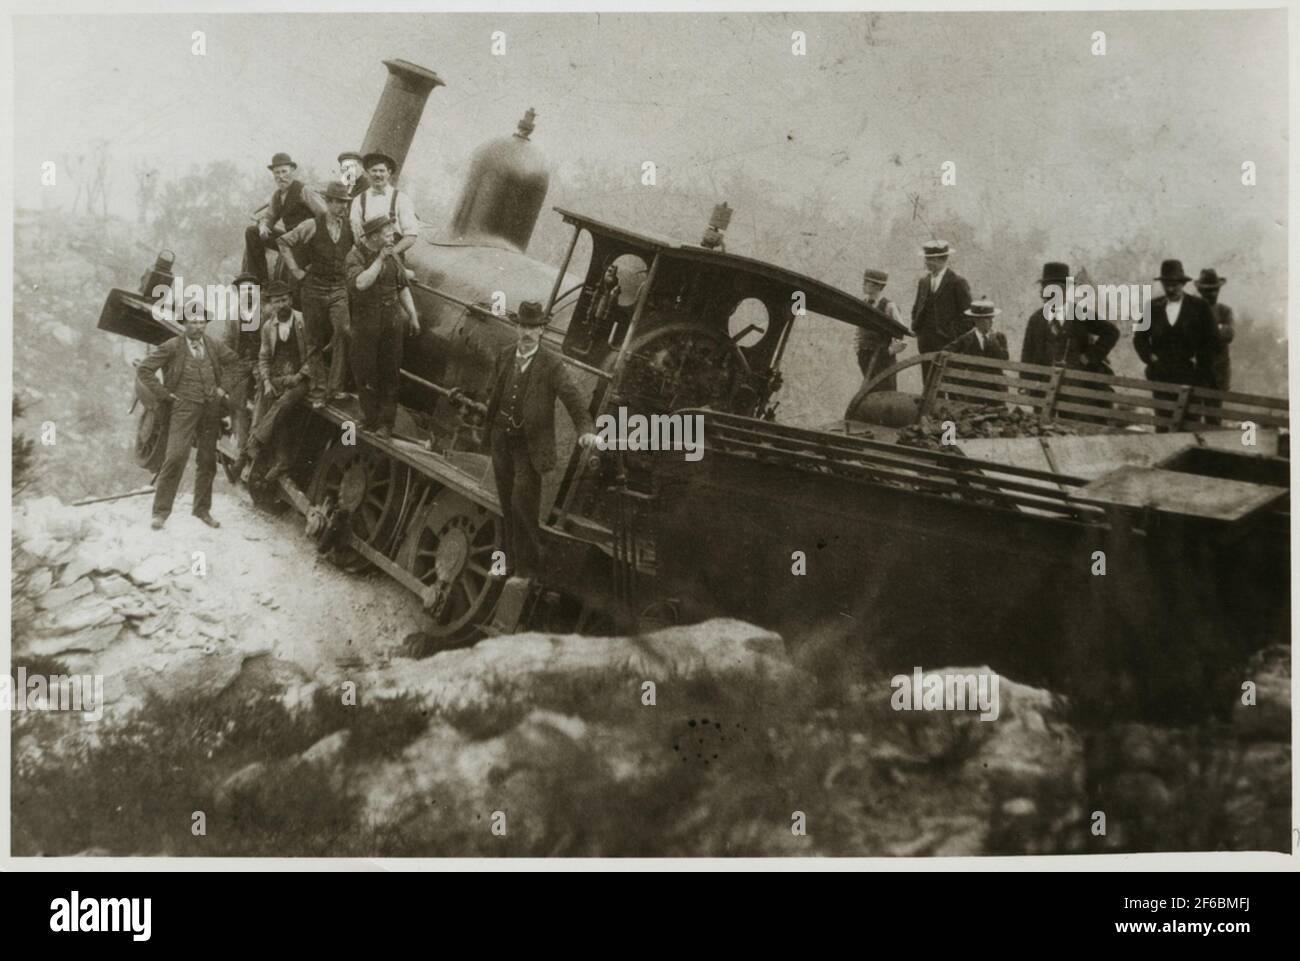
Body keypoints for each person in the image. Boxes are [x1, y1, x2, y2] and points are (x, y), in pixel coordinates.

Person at [483, 301, 599, 580]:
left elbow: (572, 396)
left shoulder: (550, 363)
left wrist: (585, 427)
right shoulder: (505, 355)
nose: (527, 332)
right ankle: (508, 565)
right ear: (516, 326)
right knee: (505, 505)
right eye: (523, 325)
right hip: (501, 440)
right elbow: (495, 392)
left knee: (521, 503)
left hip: (529, 446)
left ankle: (528, 570)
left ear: (542, 331)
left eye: (533, 327)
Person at [136, 308, 238, 529]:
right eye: (193, 322)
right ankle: (160, 513)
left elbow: (235, 364)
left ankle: (202, 510)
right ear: (184, 324)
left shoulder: (213, 345)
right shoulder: (172, 346)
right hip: (183, 408)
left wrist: (222, 389)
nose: (198, 326)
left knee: (207, 460)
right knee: (175, 457)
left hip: (211, 409)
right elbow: (145, 369)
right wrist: (165, 394)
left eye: (202, 322)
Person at [277, 180, 355, 403]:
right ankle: (319, 390)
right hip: (313, 288)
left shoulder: (351, 227)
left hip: (339, 288)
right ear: (329, 202)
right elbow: (283, 242)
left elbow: (363, 248)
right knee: (314, 340)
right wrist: (295, 270)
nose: (343, 207)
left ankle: (335, 387)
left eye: (346, 203)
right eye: (339, 202)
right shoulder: (311, 225)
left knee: (343, 331)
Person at [345, 215, 420, 438]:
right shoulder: (355, 256)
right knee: (365, 372)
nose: (391, 237)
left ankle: (386, 424)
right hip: (366, 322)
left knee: (390, 373)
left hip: (391, 321)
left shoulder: (392, 255)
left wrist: (413, 316)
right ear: (374, 237)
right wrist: (379, 259)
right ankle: (370, 418)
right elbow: (360, 283)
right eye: (387, 234)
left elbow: (402, 287)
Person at [237, 281, 314, 480]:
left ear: (290, 299)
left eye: (284, 300)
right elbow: (263, 357)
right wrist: (267, 381)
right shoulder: (268, 327)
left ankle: (254, 442)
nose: (281, 305)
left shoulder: (302, 322)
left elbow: (314, 355)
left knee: (282, 404)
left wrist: (300, 375)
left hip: (300, 379)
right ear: (271, 304)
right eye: (276, 302)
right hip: (277, 377)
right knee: (269, 404)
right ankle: (279, 460)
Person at [243, 152, 325, 284]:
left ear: (292, 171)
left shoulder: (304, 191)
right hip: (288, 240)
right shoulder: (277, 196)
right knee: (252, 232)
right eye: (277, 173)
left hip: (306, 242)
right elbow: (269, 216)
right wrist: (263, 225)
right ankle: (259, 280)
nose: (281, 177)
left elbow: (325, 214)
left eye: (284, 172)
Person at [910, 240, 972, 388]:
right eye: (926, 259)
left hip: (947, 342)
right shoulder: (923, 282)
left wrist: (952, 334)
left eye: (931, 259)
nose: (927, 263)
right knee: (928, 382)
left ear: (942, 259)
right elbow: (917, 307)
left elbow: (969, 317)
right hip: (925, 341)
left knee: (948, 382)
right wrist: (919, 330)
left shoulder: (957, 282)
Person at [349, 151, 420, 261]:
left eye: (382, 171)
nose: (378, 175)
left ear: (389, 173)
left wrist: (389, 254)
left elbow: (411, 235)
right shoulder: (358, 200)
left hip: (393, 256)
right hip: (366, 257)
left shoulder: (402, 199)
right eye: (374, 171)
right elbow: (356, 233)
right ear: (367, 173)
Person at [223, 272, 263, 458]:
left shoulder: (265, 313)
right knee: (236, 400)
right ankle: (241, 445)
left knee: (265, 394)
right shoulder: (233, 316)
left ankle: (255, 440)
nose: (247, 294)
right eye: (243, 290)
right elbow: (228, 344)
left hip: (260, 361)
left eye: (251, 290)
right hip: (240, 361)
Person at [856, 267, 906, 392]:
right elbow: (859, 331)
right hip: (865, 356)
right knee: (868, 392)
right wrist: (858, 350)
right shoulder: (863, 304)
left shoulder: (889, 306)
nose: (863, 285)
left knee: (885, 392)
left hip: (883, 358)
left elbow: (901, 333)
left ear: (878, 287)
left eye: (867, 282)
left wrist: (890, 351)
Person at [1194, 268, 1234, 424]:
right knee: (1193, 414)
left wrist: (1206, 331)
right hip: (1196, 371)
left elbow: (1228, 334)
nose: (1211, 294)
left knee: (1214, 418)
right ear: (1200, 291)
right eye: (1207, 290)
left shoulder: (1224, 311)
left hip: (1218, 373)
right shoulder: (1193, 309)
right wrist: (1216, 329)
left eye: (1214, 290)